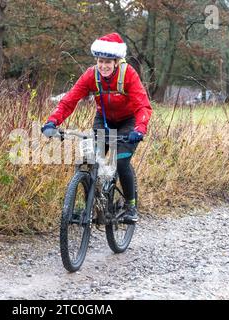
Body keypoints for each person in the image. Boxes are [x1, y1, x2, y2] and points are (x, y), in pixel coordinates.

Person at [41, 32, 152, 224]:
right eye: (100, 61)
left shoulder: (128, 75)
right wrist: (52, 122)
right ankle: (91, 205)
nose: (103, 66)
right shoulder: (91, 76)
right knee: (92, 160)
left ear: (117, 61)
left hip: (129, 122)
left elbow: (143, 105)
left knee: (122, 162)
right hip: (104, 120)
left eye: (108, 62)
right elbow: (69, 100)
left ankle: (130, 206)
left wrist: (140, 129)